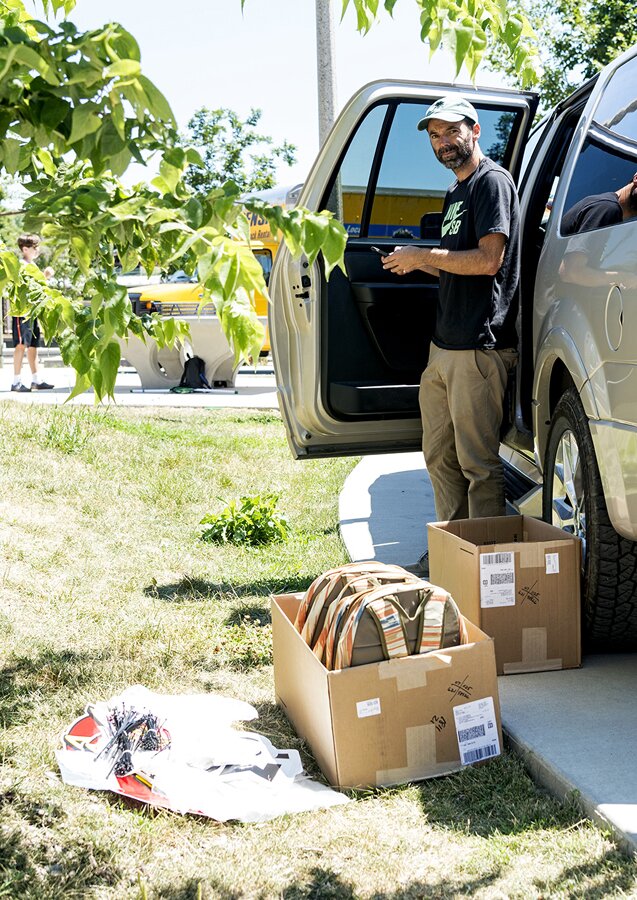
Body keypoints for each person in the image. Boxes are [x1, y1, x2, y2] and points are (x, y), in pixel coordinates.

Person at [382, 96, 520, 575]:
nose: (443, 143)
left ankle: (486, 565)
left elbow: (487, 262)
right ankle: (453, 550)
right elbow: (456, 266)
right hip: (444, 347)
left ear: (474, 131)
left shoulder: (491, 183)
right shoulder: (455, 193)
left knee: (478, 464)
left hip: (479, 349)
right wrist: (416, 261)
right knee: (439, 456)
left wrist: (424, 256)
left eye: (450, 132)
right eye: (434, 136)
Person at [559, 172, 637, 288]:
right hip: (559, 301)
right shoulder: (607, 209)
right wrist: (624, 277)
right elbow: (570, 272)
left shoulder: (613, 215)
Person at [11, 233, 54, 392]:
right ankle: (16, 382)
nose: (38, 250)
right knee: (21, 345)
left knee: (33, 346)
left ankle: (36, 380)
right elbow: (28, 287)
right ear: (25, 249)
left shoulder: (32, 265)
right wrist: (46, 276)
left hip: (32, 312)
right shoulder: (21, 265)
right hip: (21, 312)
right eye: (35, 247)